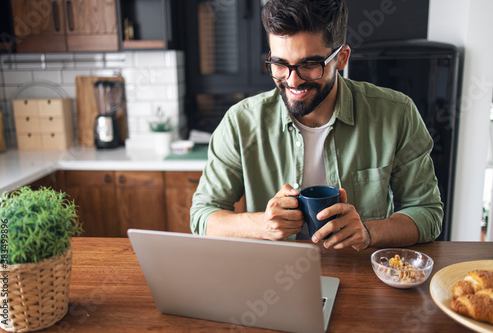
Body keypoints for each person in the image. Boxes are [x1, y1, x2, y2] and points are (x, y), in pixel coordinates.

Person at [190, 0, 443, 250]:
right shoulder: (240, 122)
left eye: (309, 65)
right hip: (273, 280)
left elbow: (428, 213)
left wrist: (368, 232)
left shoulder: (397, 114)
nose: (293, 81)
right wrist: (262, 225)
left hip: (361, 279)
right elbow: (202, 217)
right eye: (279, 64)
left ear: (341, 58)